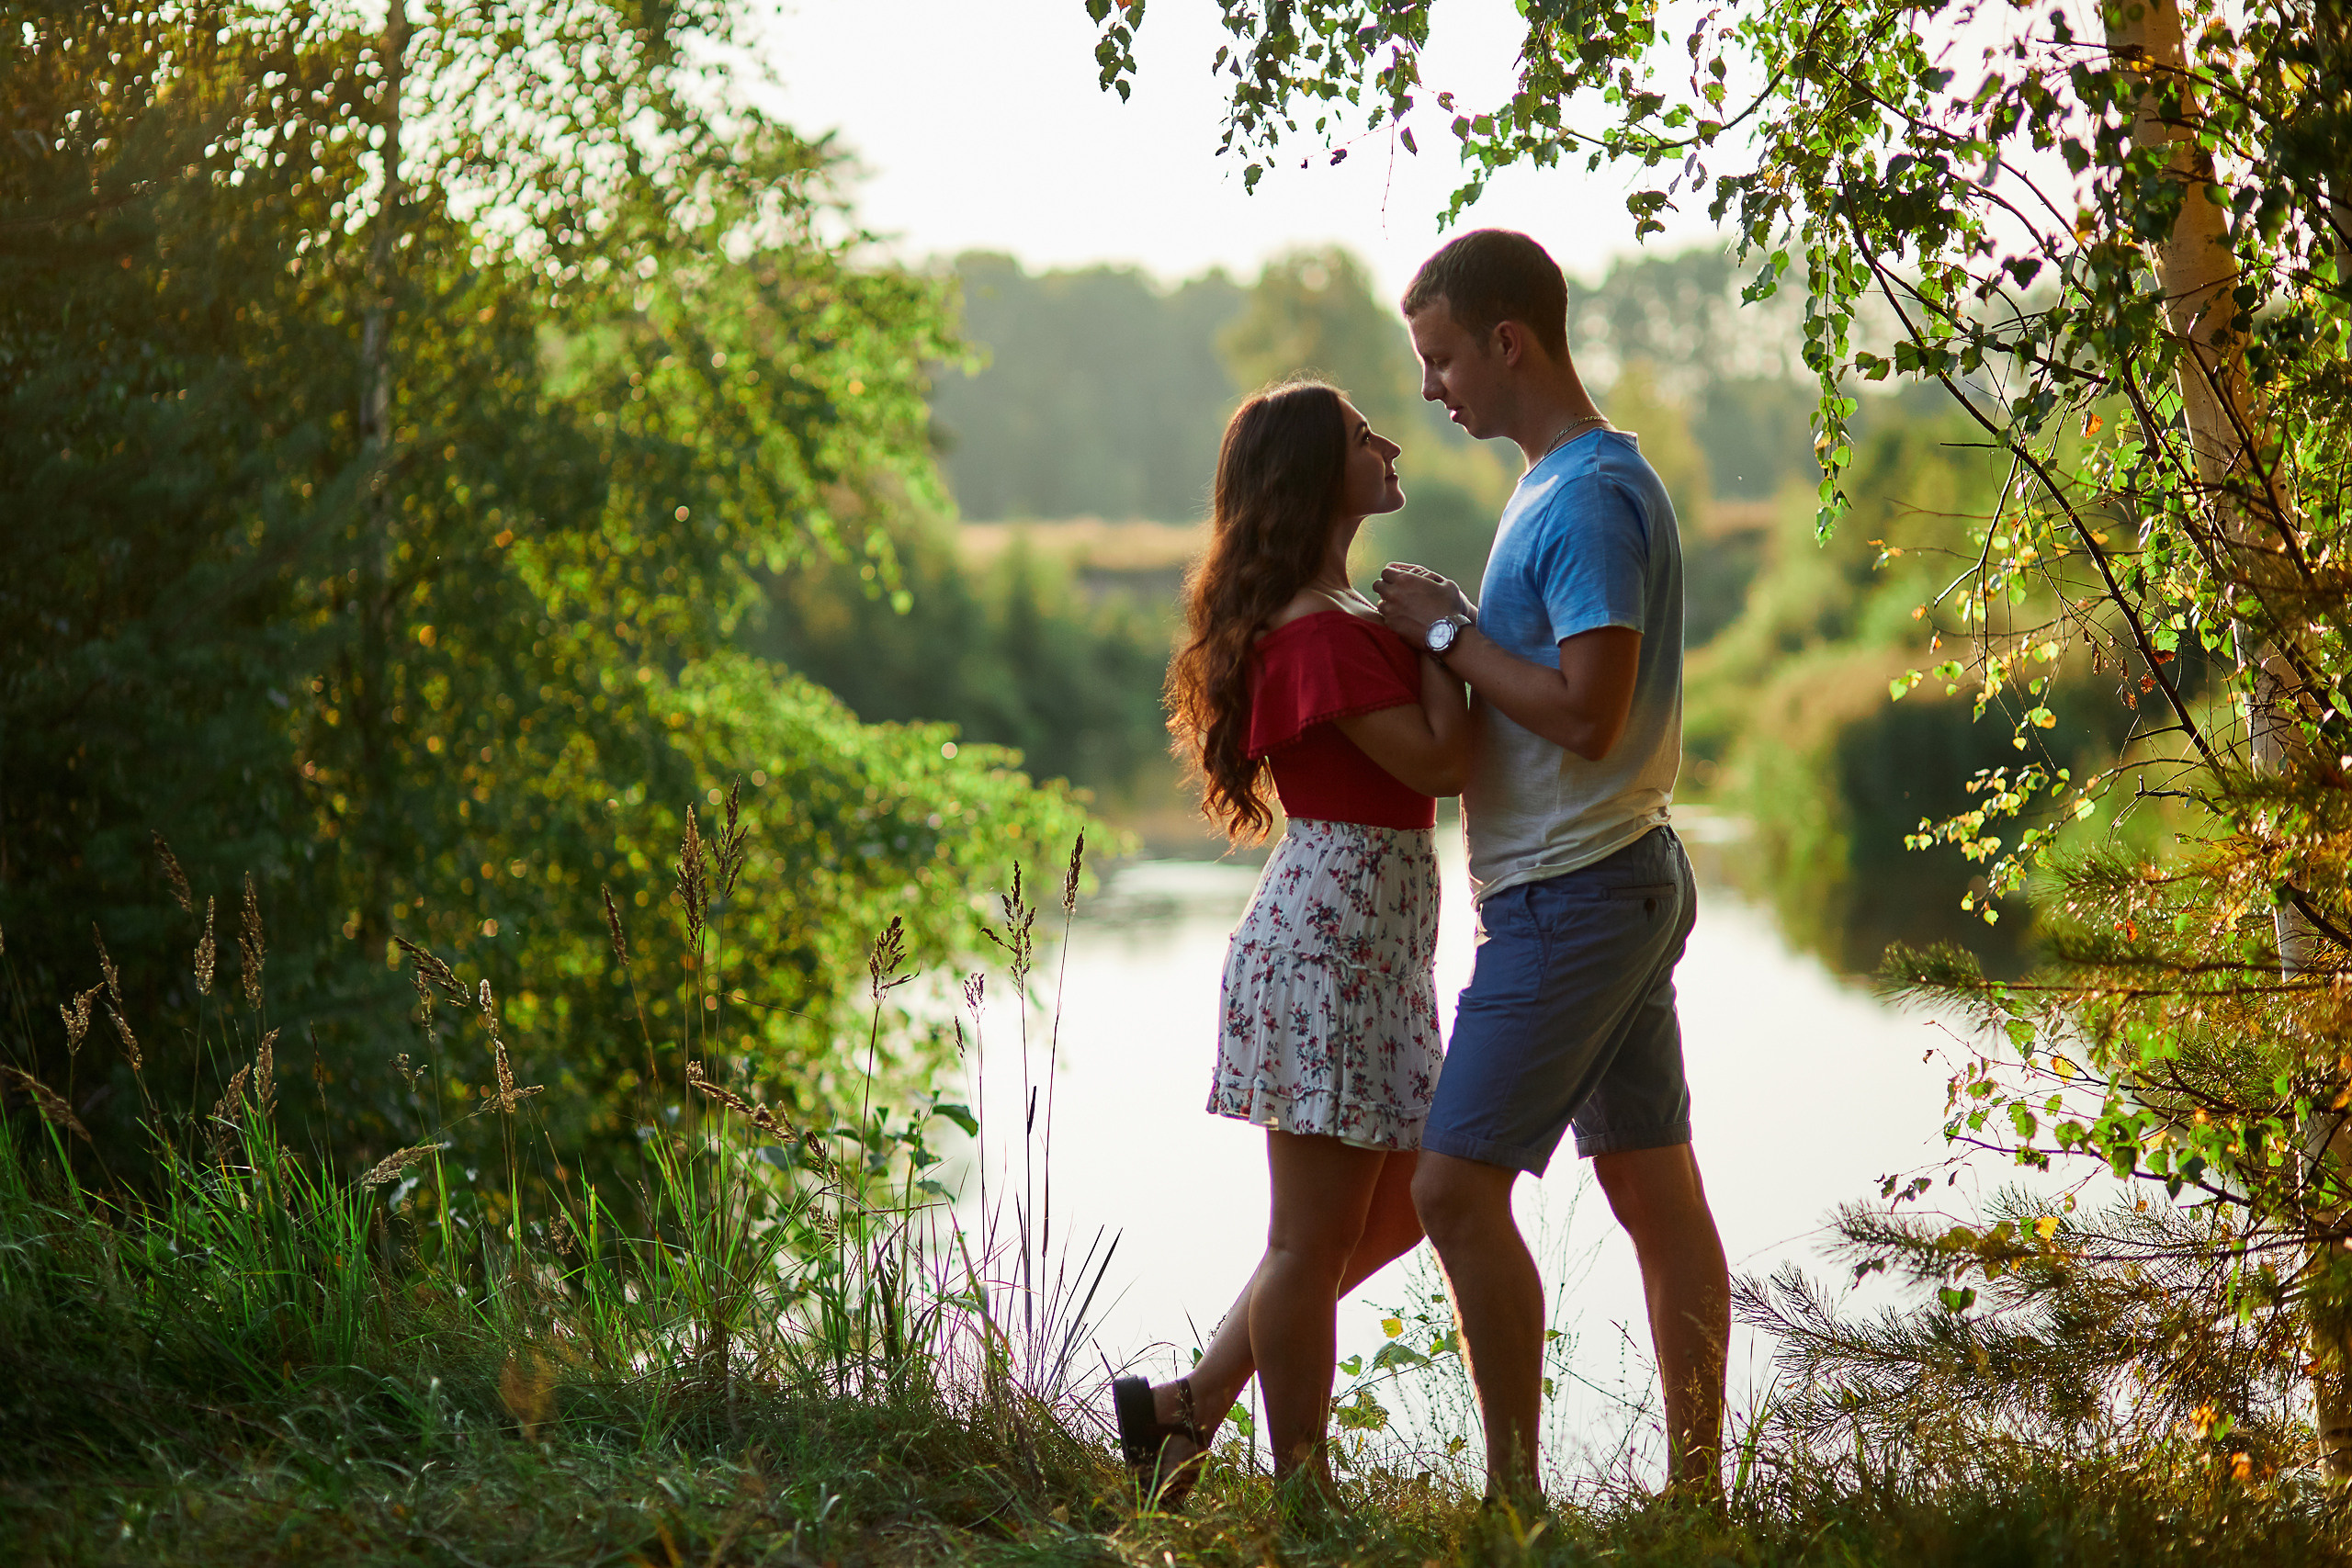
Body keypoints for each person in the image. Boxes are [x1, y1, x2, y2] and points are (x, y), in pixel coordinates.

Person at [1370, 229, 1730, 1503]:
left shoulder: (1583, 496)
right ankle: (1699, 1502)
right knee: (1651, 1187)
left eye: (1444, 355)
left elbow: (1590, 712)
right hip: (1601, 879)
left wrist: (1449, 628)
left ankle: (1513, 1502)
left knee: (1452, 1187)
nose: (1432, 386)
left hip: (1577, 895)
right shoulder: (1557, 484)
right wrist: (1454, 634)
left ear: (1507, 340)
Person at [1112, 378, 1473, 1508]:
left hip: (1369, 947)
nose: (1390, 441)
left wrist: (1418, 630)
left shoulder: (1345, 614)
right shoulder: (1316, 632)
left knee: (1414, 1199)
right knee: (1307, 1242)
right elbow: (1438, 766)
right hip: (1327, 946)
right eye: (1366, 435)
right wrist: (1442, 636)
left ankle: (1183, 1411)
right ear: (1318, 473)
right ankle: (1303, 1494)